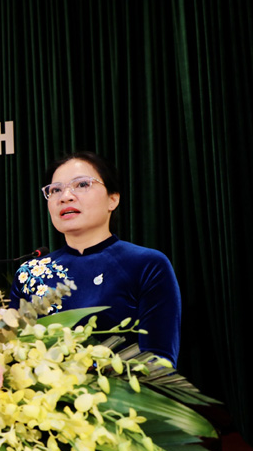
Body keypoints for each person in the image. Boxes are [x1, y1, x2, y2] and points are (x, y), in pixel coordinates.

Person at [11, 151, 181, 365]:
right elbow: (13, 354)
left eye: (82, 184)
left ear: (113, 199)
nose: (65, 196)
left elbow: (158, 362)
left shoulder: (147, 265)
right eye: (55, 190)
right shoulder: (30, 273)